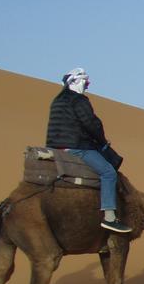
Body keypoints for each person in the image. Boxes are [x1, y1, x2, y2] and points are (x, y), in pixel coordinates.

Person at [45, 68, 131, 233]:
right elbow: (91, 124)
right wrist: (102, 141)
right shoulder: (79, 101)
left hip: (55, 147)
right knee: (109, 173)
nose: (88, 86)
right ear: (78, 81)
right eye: (86, 82)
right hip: (76, 148)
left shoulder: (57, 101)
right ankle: (109, 218)